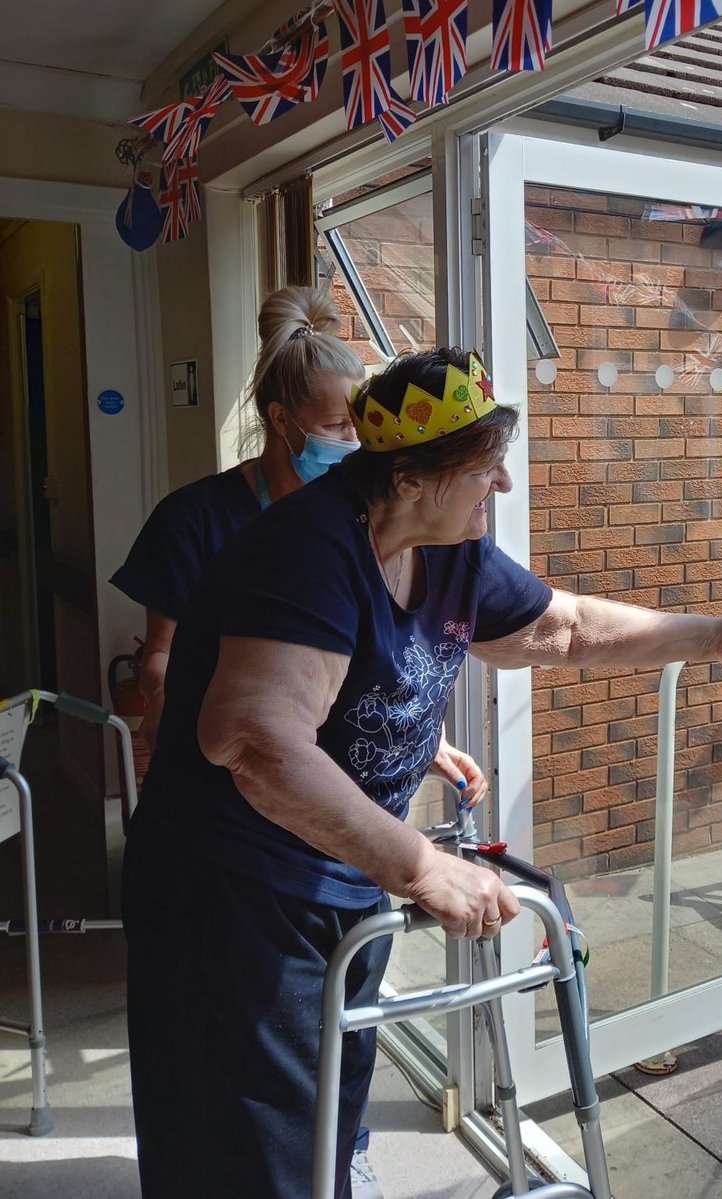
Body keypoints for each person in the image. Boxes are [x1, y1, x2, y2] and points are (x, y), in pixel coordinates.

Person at [122, 346, 722, 1199]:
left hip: (340, 880)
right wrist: (421, 865)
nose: (504, 484)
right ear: (410, 478)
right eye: (486, 467)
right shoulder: (307, 550)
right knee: (247, 1146)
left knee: (320, 1126)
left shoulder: (447, 548)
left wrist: (714, 636)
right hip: (231, 896)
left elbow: (562, 629)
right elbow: (254, 743)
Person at [111, 287, 479, 1199]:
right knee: (233, 1101)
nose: (352, 444)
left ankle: (339, 1160)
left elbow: (364, 664)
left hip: (329, 855)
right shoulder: (202, 521)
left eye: (361, 428)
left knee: (330, 1067)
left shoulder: (364, 524)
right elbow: (168, 668)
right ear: (282, 422)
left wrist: (414, 734)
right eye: (335, 427)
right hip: (230, 850)